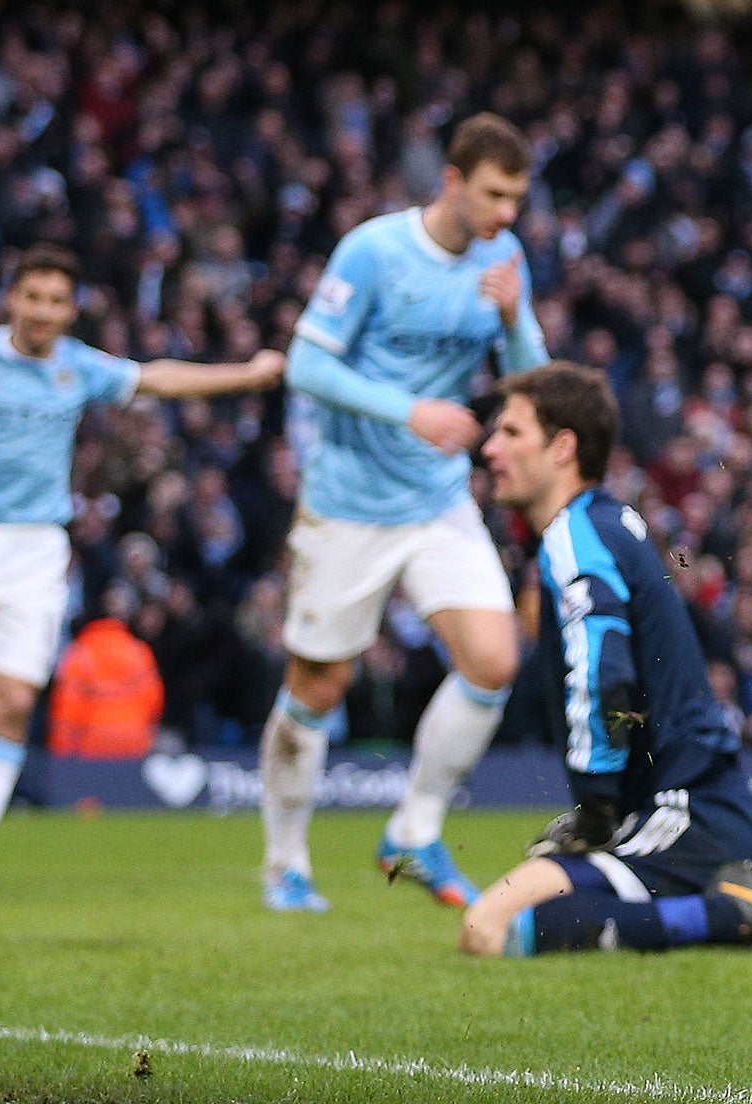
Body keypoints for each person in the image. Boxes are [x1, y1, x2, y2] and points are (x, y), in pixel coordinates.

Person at [0, 244, 284, 889]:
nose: (42, 311)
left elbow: (159, 377)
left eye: (56, 300)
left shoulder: (77, 368)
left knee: (11, 697)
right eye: (32, 296)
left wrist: (248, 374)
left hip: (35, 549)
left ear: (70, 311)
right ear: (11, 299)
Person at [458, 362, 752, 957]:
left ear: (563, 448)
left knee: (490, 928)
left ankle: (724, 912)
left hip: (684, 813)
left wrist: (594, 807)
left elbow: (601, 672)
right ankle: (729, 906)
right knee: (519, 924)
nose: (489, 449)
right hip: (694, 810)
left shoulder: (575, 535)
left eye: (511, 433)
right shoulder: (603, 524)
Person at [261, 113, 549, 914]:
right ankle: (285, 862)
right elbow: (307, 363)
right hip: (348, 502)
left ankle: (414, 831)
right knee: (320, 682)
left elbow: (533, 382)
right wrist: (409, 411)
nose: (506, 215)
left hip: (436, 498)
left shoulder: (504, 260)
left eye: (517, 200)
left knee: (493, 659)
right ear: (451, 181)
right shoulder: (375, 250)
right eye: (494, 195)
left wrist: (515, 319)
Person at [48, 586, 166, 760]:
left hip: (89, 747)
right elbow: (154, 701)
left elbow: (67, 706)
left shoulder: (79, 652)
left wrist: (61, 755)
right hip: (133, 744)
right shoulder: (139, 652)